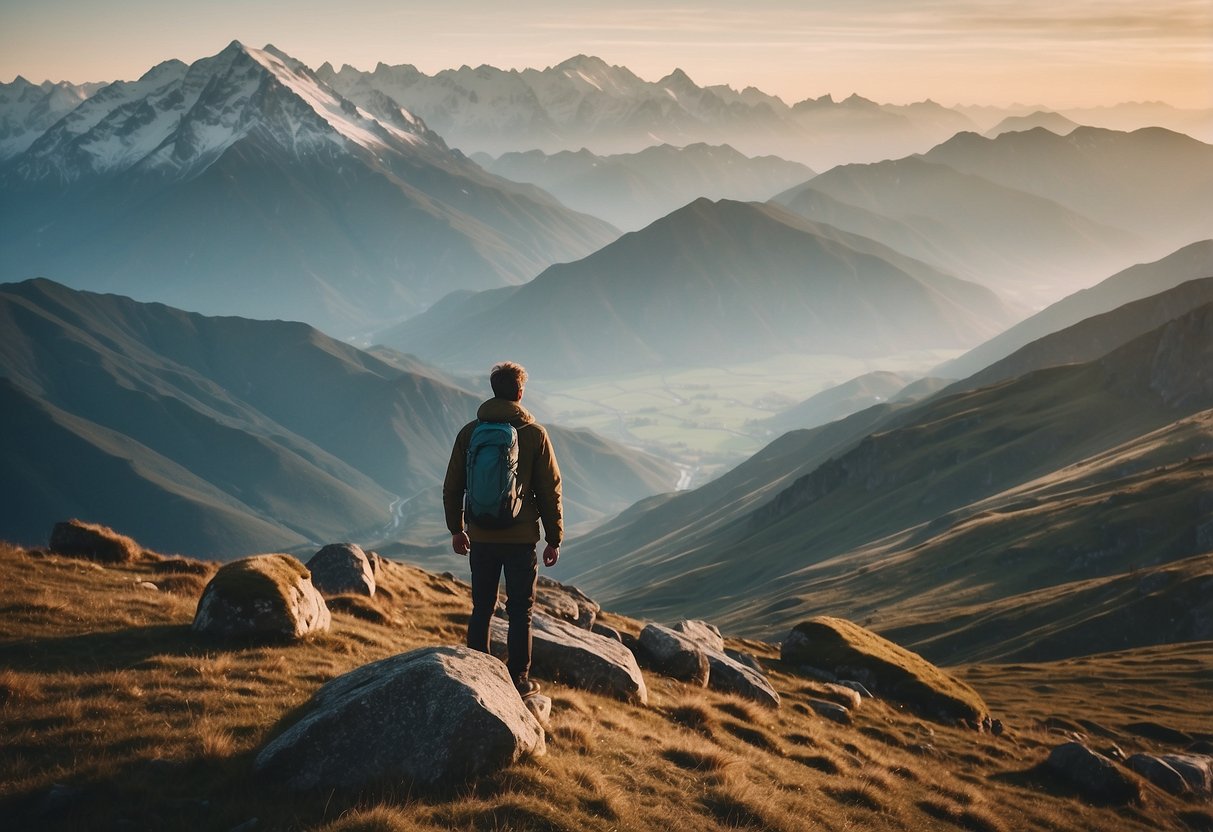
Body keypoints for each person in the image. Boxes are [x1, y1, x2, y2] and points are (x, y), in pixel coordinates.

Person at [443, 361, 562, 697]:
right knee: (520, 610)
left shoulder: (470, 433)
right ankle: (519, 681)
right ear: (520, 393)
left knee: (482, 605)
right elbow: (549, 489)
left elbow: (453, 486)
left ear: (494, 390)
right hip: (521, 539)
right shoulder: (534, 434)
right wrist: (554, 538)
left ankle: (478, 670)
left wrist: (456, 528)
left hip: (480, 535)